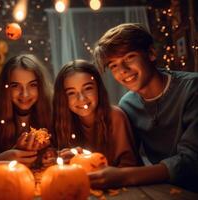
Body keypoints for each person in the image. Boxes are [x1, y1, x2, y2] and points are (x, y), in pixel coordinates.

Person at [92, 23, 198, 192]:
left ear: (151, 53)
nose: (123, 70)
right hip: (165, 190)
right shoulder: (127, 104)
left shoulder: (192, 88)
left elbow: (191, 161)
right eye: (113, 65)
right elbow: (122, 155)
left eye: (129, 57)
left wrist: (125, 176)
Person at [53, 59, 138, 167]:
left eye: (88, 88)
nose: (82, 98)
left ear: (98, 89)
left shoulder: (115, 117)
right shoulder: (63, 121)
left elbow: (129, 165)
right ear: (62, 97)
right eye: (71, 93)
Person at [0, 54, 53, 167]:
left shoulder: (52, 107)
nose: (24, 94)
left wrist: (48, 154)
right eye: (15, 86)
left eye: (32, 85)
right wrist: (16, 151)